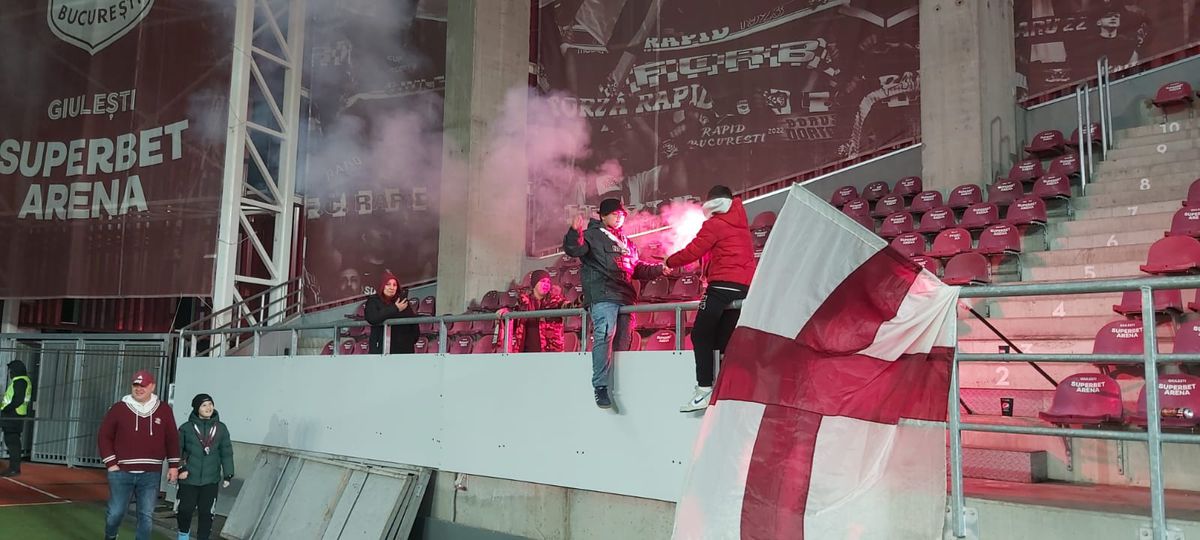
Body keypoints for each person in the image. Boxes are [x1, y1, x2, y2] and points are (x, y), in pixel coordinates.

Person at [563, 198, 666, 408]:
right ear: (603, 215)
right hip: (603, 295)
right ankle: (600, 386)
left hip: (625, 297)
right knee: (604, 334)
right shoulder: (591, 235)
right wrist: (574, 232)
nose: (620, 218)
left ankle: (621, 387)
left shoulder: (626, 242)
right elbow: (574, 249)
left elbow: (637, 269)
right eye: (615, 214)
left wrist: (659, 268)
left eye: (622, 215)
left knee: (623, 342)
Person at [664, 185, 755, 412]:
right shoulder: (740, 223)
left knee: (700, 334)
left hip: (722, 286)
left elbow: (693, 251)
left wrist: (668, 262)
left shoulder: (715, 224)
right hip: (743, 287)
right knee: (723, 339)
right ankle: (728, 388)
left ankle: (704, 389)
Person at [99, 369, 180, 540]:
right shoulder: (118, 408)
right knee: (115, 513)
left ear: (152, 386)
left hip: (151, 474)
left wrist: (173, 465)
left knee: (146, 516)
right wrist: (111, 463)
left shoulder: (164, 409)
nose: (139, 388)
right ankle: (110, 536)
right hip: (121, 472)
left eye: (143, 385)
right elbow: (104, 436)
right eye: (136, 385)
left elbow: (172, 438)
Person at [176, 393, 234, 540]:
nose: (208, 408)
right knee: (185, 510)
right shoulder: (186, 428)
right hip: (189, 478)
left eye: (210, 404)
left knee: (207, 513)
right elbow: (177, 450)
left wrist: (228, 473)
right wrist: (181, 468)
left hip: (211, 479)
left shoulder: (221, 428)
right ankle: (183, 535)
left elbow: (226, 452)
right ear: (197, 408)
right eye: (204, 405)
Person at [501, 270, 567, 353]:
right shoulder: (524, 302)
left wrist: (581, 300)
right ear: (534, 284)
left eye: (548, 282)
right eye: (543, 281)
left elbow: (569, 307)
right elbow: (514, 321)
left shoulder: (555, 300)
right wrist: (505, 312)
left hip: (550, 353)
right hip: (526, 353)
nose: (546, 284)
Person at [364, 271, 419, 354]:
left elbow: (414, 326)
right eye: (388, 284)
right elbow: (372, 318)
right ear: (382, 286)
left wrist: (409, 341)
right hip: (380, 350)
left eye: (394, 285)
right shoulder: (373, 301)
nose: (391, 287)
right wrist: (395, 308)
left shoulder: (402, 302)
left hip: (403, 351)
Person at [1, 359, 31, 477]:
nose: (9, 373)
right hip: (16, 414)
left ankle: (14, 468)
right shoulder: (22, 381)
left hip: (13, 415)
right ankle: (14, 468)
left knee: (12, 442)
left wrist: (5, 409)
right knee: (13, 442)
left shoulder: (20, 382)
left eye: (10, 371)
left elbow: (17, 400)